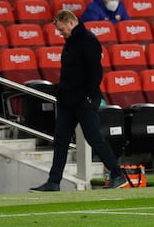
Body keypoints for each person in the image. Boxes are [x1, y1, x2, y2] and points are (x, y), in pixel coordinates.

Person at [30, 10, 127, 192]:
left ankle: (117, 174)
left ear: (71, 23)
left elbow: (96, 73)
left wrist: (87, 96)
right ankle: (54, 181)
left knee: (94, 138)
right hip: (68, 100)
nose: (60, 33)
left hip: (83, 100)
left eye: (61, 29)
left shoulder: (89, 40)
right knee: (60, 140)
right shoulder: (71, 42)